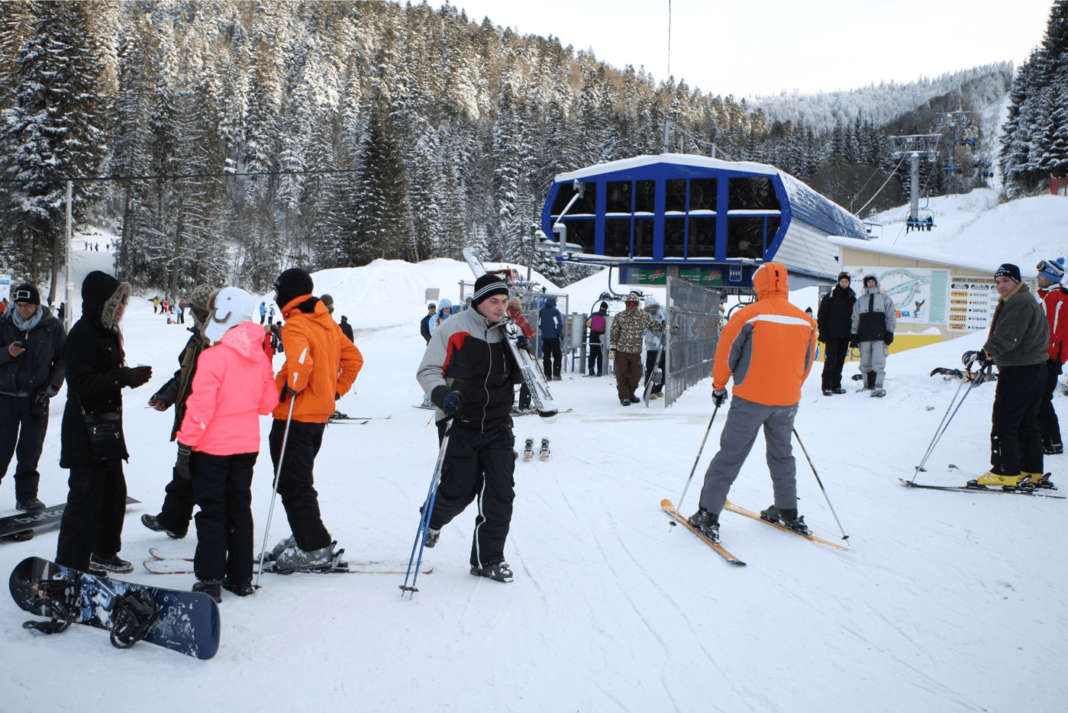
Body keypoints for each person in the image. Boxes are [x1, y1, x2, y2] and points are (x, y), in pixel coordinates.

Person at [688, 263, 817, 542]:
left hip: (750, 398)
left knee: (731, 454)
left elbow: (726, 353)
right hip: (786, 402)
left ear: (759, 285)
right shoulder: (805, 320)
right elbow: (808, 361)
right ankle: (787, 509)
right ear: (785, 285)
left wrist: (719, 386)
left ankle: (708, 514)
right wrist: (791, 388)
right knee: (783, 455)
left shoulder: (749, 315)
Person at [416, 274, 524, 583]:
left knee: (500, 494)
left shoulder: (511, 330)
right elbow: (428, 370)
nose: (500, 308)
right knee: (459, 491)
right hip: (459, 422)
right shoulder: (453, 328)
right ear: (478, 302)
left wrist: (522, 352)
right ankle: (432, 518)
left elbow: (523, 372)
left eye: (504, 302)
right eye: (494, 302)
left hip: (498, 424)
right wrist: (442, 396)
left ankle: (487, 559)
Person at [176, 288, 278, 601]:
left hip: (212, 448)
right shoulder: (258, 356)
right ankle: (241, 577)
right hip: (246, 447)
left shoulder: (213, 357)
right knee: (238, 509)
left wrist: (185, 445)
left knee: (212, 512)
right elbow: (267, 404)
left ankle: (209, 580)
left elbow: (201, 407)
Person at [263, 268, 363, 570]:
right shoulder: (327, 323)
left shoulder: (295, 326)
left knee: (292, 483)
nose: (276, 297)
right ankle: (304, 533)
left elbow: (300, 365)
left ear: (290, 293)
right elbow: (354, 359)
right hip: (316, 416)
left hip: (294, 415)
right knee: (298, 480)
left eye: (278, 291)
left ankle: (315, 546)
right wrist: (333, 392)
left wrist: (285, 388)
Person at [55, 271, 152, 574]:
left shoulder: (106, 331)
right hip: (84, 432)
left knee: (113, 496)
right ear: (101, 303)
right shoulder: (83, 334)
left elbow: (103, 379)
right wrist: (123, 377)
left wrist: (126, 378)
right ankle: (71, 565)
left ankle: (104, 552)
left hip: (106, 429)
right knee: (85, 501)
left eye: (124, 302)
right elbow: (80, 382)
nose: (121, 307)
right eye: (116, 302)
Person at [141, 285, 217, 540]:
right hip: (191, 417)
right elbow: (183, 374)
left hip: (206, 421)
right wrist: (166, 396)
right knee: (184, 469)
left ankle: (185, 522)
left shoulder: (215, 342)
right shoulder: (197, 338)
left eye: (193, 312)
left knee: (193, 471)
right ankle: (174, 520)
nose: (191, 316)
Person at [966, 263, 1050, 487]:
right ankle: (1030, 470)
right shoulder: (1026, 299)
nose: (1000, 286)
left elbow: (1008, 335)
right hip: (1034, 368)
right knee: (1026, 422)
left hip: (1020, 371)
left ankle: (1005, 470)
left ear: (1016, 281)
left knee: (1005, 421)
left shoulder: (1019, 302)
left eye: (1005, 281)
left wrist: (986, 354)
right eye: (997, 282)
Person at [0, 283, 66, 511]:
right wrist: (6, 353)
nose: (22, 310)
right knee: (1, 448)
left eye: (27, 306)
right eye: (18, 305)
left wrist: (52, 385)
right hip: (5, 397)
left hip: (36, 399)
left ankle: (26, 497)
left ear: (37, 305)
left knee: (30, 451)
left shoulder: (52, 327)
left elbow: (62, 359)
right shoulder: (3, 323)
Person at [1035, 258, 1068, 455]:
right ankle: (1048, 440)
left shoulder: (1054, 298)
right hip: (1052, 357)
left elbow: (1052, 333)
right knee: (1041, 398)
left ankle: (1051, 441)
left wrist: (1044, 356)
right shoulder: (1053, 296)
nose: (1038, 277)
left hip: (1049, 358)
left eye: (1041, 274)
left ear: (1050, 277)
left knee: (1042, 399)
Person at [609, 292, 665, 405]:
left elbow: (654, 325)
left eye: (633, 304)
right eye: (628, 304)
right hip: (622, 351)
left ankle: (631, 393)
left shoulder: (642, 317)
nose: (631, 306)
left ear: (636, 304)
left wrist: (666, 328)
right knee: (622, 375)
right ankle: (624, 396)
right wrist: (613, 348)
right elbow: (614, 333)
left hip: (635, 352)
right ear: (626, 304)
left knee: (636, 375)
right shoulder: (619, 317)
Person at [850, 273, 896, 397]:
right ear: (865, 284)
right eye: (868, 282)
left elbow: (891, 317)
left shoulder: (885, 299)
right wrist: (854, 334)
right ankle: (867, 386)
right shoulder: (860, 301)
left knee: (878, 363)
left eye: (873, 281)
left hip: (879, 337)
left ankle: (878, 387)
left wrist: (890, 332)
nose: (871, 284)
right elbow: (855, 318)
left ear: (876, 283)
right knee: (865, 363)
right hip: (864, 337)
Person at [817, 272, 857, 396]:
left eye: (846, 281)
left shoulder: (852, 298)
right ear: (839, 282)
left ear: (849, 282)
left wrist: (853, 336)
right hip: (832, 335)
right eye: (842, 281)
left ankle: (836, 385)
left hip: (844, 336)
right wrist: (822, 332)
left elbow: (855, 318)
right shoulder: (830, 296)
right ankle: (827, 386)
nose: (844, 283)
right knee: (831, 360)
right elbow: (822, 315)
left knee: (840, 361)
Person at [506, 296, 535, 413]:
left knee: (508, 380)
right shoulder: (521, 320)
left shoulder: (504, 318)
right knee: (526, 377)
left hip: (507, 353)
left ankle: (508, 404)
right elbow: (531, 334)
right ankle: (524, 404)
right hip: (520, 353)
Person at [643, 295, 667, 399]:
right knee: (652, 369)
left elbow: (669, 323)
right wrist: (656, 340)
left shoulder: (662, 311)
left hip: (664, 347)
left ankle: (658, 388)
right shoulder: (644, 316)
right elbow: (646, 331)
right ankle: (649, 390)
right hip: (652, 348)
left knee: (664, 368)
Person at [539, 296, 564, 380]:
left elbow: (539, 323)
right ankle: (556, 374)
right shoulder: (555, 311)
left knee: (546, 356)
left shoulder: (542, 311)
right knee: (557, 355)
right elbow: (559, 323)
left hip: (545, 337)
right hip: (554, 337)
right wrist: (559, 332)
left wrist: (544, 330)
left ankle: (547, 375)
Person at [586, 301, 608, 377]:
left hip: (592, 336)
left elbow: (587, 323)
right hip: (601, 337)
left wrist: (592, 328)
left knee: (592, 354)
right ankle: (600, 371)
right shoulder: (606, 317)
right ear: (606, 308)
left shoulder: (593, 315)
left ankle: (591, 369)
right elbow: (608, 328)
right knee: (600, 354)